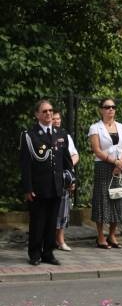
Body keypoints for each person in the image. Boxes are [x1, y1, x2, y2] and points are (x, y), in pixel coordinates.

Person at [20, 100, 74, 266]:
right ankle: (35, 254)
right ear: (37, 114)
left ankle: (48, 253)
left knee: (52, 223)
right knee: (38, 222)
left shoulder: (61, 134)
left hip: (56, 185)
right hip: (38, 187)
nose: (49, 114)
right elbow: (25, 164)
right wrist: (28, 188)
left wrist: (71, 179)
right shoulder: (30, 135)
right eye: (44, 111)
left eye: (50, 111)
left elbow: (67, 160)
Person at [88, 98, 122, 249]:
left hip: (119, 167)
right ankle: (100, 236)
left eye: (113, 107)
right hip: (103, 166)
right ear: (101, 110)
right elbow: (97, 150)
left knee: (117, 198)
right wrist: (114, 162)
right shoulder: (95, 128)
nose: (110, 109)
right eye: (107, 107)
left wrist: (121, 162)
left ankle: (112, 234)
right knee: (102, 200)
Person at [52, 111, 79, 252]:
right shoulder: (44, 135)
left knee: (63, 211)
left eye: (58, 118)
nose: (56, 121)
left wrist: (68, 174)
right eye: (54, 119)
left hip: (63, 178)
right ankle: (49, 240)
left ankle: (61, 240)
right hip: (49, 179)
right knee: (51, 211)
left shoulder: (65, 136)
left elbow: (74, 155)